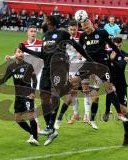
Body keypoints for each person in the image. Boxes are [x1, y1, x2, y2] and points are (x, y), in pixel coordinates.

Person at [19, 15, 92, 146]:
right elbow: (42, 55)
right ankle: (50, 129)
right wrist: (26, 50)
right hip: (47, 68)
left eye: (45, 20)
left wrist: (89, 59)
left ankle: (51, 125)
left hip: (60, 66)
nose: (43, 22)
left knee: (55, 95)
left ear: (50, 22)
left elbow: (77, 46)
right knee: (43, 97)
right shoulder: (45, 36)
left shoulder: (62, 33)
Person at [72, 19, 128, 130]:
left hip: (102, 65)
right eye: (83, 28)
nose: (86, 30)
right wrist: (78, 55)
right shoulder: (83, 36)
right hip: (89, 64)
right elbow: (79, 47)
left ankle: (119, 114)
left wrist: (121, 56)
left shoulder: (102, 33)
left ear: (91, 24)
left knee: (109, 88)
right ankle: (87, 114)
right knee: (74, 81)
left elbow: (112, 45)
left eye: (87, 28)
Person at [0, 48, 39, 146]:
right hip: (18, 96)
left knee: (30, 116)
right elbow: (4, 79)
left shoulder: (28, 66)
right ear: (15, 54)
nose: (21, 54)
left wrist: (33, 92)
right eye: (19, 52)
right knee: (17, 118)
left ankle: (34, 138)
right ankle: (32, 134)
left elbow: (34, 80)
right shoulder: (11, 67)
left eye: (22, 52)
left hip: (28, 94)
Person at [54, 20, 92, 129]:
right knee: (72, 91)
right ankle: (76, 114)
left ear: (77, 28)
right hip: (71, 67)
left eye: (74, 29)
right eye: (70, 30)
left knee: (85, 89)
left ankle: (87, 115)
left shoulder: (82, 37)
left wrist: (84, 57)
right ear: (68, 29)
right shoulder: (64, 37)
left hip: (83, 64)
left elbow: (87, 49)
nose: (72, 32)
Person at [102, 37, 128, 146]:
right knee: (110, 91)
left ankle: (126, 135)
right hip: (110, 83)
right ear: (112, 45)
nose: (117, 48)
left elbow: (120, 66)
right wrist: (110, 60)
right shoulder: (107, 53)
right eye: (115, 46)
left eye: (119, 46)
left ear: (121, 45)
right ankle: (106, 111)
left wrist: (112, 60)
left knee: (124, 110)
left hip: (122, 85)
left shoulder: (125, 54)